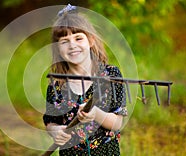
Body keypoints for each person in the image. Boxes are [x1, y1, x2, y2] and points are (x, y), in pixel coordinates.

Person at [43, 4, 128, 156]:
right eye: (64, 41)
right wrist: (55, 131)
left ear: (91, 41)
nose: (72, 45)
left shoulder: (110, 75)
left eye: (78, 38)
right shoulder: (57, 85)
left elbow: (117, 123)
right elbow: (50, 121)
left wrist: (96, 114)